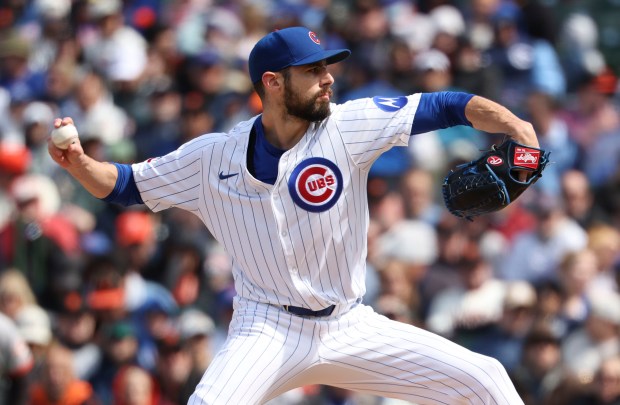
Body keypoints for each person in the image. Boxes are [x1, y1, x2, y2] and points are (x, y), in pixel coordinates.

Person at [48, 26, 541, 404]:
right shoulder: (211, 157)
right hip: (266, 329)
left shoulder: (348, 127)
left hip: (350, 324)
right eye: (312, 71)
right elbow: (125, 185)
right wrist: (78, 164)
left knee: (486, 379)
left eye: (327, 67)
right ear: (273, 82)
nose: (328, 78)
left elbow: (447, 105)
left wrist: (516, 126)